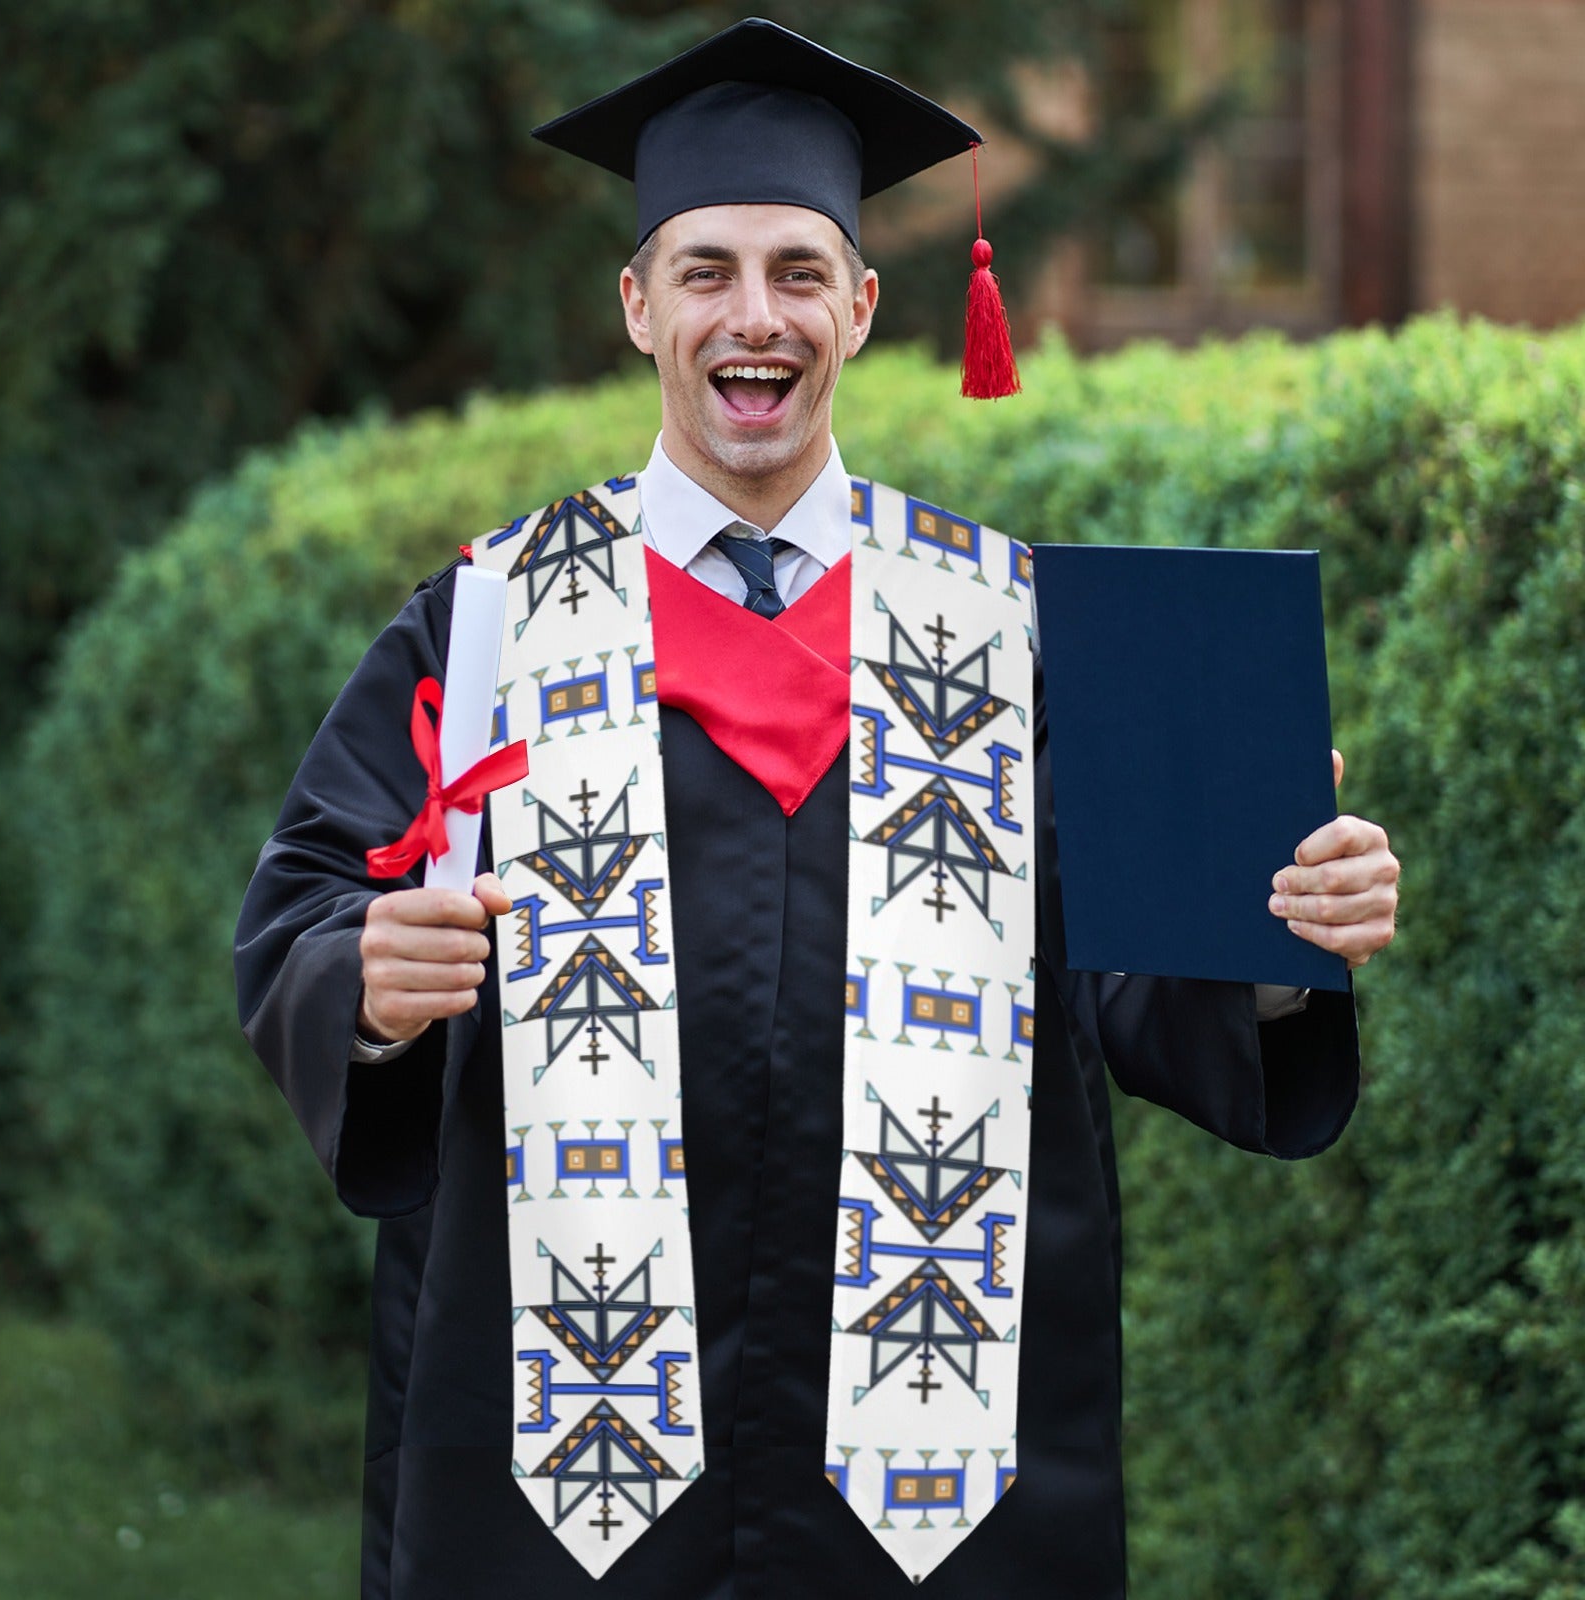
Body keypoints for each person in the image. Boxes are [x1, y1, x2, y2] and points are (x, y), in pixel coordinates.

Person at [234, 19, 1399, 1600]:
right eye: (705, 272)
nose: (754, 317)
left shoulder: (1008, 624)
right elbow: (311, 903)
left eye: (798, 272)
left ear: (860, 306)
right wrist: (367, 983)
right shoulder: (495, 620)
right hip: (567, 1465)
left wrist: (1277, 938)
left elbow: (1135, 976)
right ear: (638, 306)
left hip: (939, 1472)